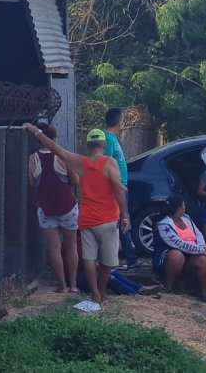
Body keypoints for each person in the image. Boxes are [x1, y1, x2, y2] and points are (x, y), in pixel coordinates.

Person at [24, 124, 130, 312]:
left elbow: (49, 157)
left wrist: (36, 131)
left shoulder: (74, 161)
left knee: (75, 254)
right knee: (92, 254)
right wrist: (125, 214)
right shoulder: (107, 163)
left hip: (72, 215)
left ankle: (78, 289)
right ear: (104, 145)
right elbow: (115, 188)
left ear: (88, 145)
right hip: (90, 214)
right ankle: (90, 289)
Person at [28, 123, 79, 293]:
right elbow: (75, 181)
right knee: (71, 245)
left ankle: (62, 285)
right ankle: (73, 285)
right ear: (54, 139)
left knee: (54, 247)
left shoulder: (32, 158)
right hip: (67, 206)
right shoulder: (63, 156)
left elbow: (32, 183)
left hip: (45, 208)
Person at [153, 194, 206, 300]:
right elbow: (177, 243)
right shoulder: (163, 224)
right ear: (179, 208)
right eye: (183, 205)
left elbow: (198, 235)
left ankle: (205, 295)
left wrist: (202, 247)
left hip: (190, 256)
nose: (185, 207)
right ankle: (168, 288)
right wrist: (199, 250)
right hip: (168, 258)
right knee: (177, 256)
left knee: (203, 260)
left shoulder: (187, 219)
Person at [104, 108, 137, 270]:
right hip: (117, 187)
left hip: (122, 185)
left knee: (123, 220)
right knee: (122, 220)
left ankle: (128, 257)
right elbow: (106, 163)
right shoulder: (108, 139)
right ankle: (127, 258)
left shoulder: (114, 138)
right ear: (118, 121)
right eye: (123, 119)